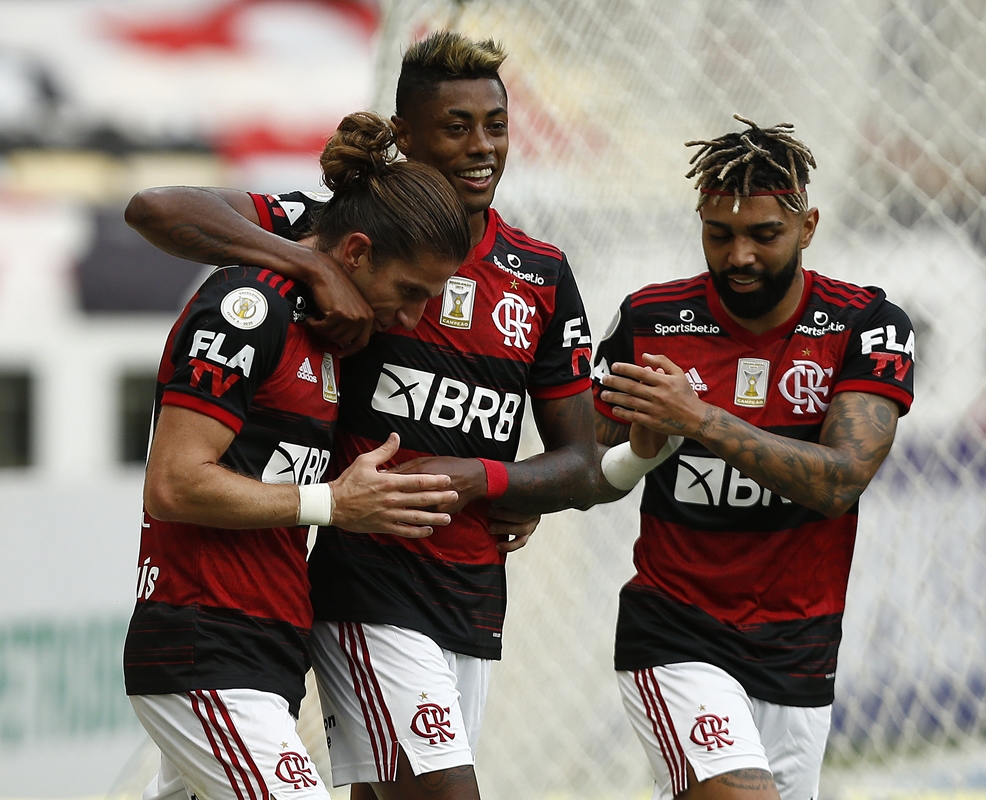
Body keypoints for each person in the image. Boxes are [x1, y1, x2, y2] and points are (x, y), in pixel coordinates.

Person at [124, 31, 599, 800]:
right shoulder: (287, 264)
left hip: (396, 606)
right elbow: (154, 208)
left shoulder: (539, 274)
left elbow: (579, 464)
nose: (482, 148)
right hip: (333, 596)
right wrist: (305, 260)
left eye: (497, 125)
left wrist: (498, 484)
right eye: (456, 127)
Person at [124, 111, 472, 800]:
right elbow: (173, 482)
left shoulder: (326, 331)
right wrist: (334, 504)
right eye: (409, 294)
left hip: (265, 651)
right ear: (355, 253)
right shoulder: (250, 305)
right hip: (206, 643)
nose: (411, 319)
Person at [590, 116, 916, 800]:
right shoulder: (650, 323)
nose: (738, 255)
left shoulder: (867, 326)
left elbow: (840, 482)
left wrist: (699, 418)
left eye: (763, 234)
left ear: (808, 225)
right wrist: (602, 466)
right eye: (719, 233)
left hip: (799, 649)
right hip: (677, 631)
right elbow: (587, 463)